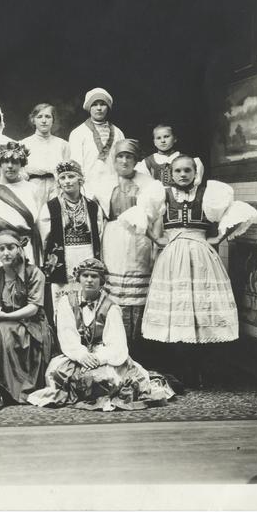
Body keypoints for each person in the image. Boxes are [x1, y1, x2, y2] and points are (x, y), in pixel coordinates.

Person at [141, 155, 257, 386]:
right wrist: (156, 238)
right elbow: (139, 218)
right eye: (178, 171)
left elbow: (233, 216)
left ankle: (202, 370)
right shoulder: (160, 194)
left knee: (202, 309)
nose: (183, 174)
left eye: (187, 170)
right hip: (173, 258)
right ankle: (183, 371)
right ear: (171, 174)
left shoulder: (209, 194)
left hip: (202, 257)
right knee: (178, 308)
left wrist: (218, 238)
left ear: (195, 172)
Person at [28, 259, 175, 410]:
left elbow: (116, 343)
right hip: (77, 353)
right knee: (57, 373)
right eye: (85, 275)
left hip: (104, 355)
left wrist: (98, 358)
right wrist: (81, 355)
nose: (89, 280)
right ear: (78, 278)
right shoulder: (67, 302)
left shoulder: (110, 307)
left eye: (94, 276)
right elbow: (66, 334)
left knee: (103, 380)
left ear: (102, 281)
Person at [90, 139, 162, 360]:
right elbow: (98, 215)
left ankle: (138, 346)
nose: (124, 160)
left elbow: (156, 216)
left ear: (136, 159)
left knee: (137, 295)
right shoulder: (103, 182)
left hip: (139, 240)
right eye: (120, 156)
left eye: (129, 156)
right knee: (115, 294)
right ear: (114, 159)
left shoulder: (149, 183)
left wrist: (155, 242)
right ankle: (116, 343)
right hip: (112, 238)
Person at [0, 230, 54, 411]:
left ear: (19, 249)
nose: (5, 253)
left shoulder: (34, 273)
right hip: (3, 322)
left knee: (1, 332)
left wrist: (5, 317)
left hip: (31, 324)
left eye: (10, 248)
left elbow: (34, 308)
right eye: (1, 249)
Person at [38, 160, 102, 302]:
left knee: (86, 299)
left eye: (71, 176)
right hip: (62, 261)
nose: (67, 181)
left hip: (87, 256)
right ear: (58, 182)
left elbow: (99, 235)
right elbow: (44, 240)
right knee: (63, 304)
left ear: (80, 179)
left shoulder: (92, 207)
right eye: (63, 178)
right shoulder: (50, 207)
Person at [0, 142, 41, 282]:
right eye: (6, 161)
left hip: (27, 250)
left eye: (15, 162)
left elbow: (39, 225)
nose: (10, 166)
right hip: (0, 252)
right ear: (0, 164)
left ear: (22, 164)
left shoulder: (32, 189)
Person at [68, 87, 125, 187]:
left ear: (108, 107)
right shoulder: (78, 133)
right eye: (94, 104)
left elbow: (123, 162)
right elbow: (76, 165)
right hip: (89, 186)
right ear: (89, 107)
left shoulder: (118, 132)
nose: (99, 108)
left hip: (114, 185)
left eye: (102, 104)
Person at [20, 103, 71, 209]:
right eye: (39, 117)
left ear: (53, 120)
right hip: (33, 188)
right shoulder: (23, 144)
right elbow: (21, 172)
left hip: (57, 188)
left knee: (56, 219)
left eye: (48, 117)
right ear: (33, 120)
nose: (44, 120)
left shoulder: (62, 145)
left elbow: (68, 171)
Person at [135, 123, 205, 186]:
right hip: (158, 197)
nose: (163, 141)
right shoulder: (148, 162)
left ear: (174, 139)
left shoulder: (184, 158)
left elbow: (197, 167)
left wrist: (197, 179)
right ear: (154, 142)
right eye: (158, 138)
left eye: (166, 136)